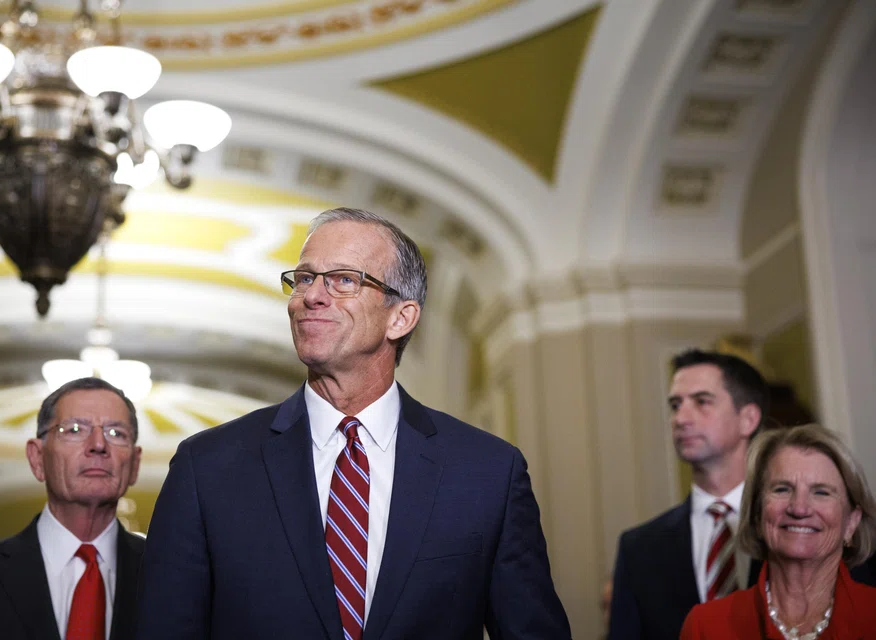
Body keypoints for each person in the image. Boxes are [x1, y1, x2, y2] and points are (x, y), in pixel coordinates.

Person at [136, 207, 570, 639]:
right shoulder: (208, 467)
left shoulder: (487, 472)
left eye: (344, 280)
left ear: (401, 317)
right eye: (304, 278)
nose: (312, 296)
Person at [608, 349, 876, 640]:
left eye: (701, 402)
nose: (681, 418)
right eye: (675, 405)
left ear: (748, 418)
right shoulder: (638, 549)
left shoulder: (823, 524)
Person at [0, 377, 145, 640]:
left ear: (135, 464)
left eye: (116, 433)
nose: (98, 445)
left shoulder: (172, 576)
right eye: (74, 430)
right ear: (37, 458)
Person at [680, 423, 876, 638]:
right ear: (757, 514)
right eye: (782, 489)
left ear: (852, 523)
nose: (799, 508)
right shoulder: (706, 626)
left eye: (821, 492)